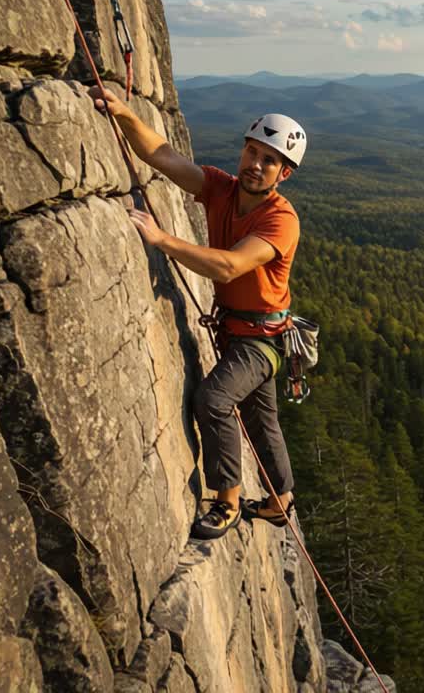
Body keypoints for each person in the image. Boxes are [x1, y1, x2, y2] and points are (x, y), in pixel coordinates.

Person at [89, 86, 306, 540]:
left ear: (283, 174)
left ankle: (226, 501)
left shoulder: (280, 220)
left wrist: (163, 240)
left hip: (260, 340)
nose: (255, 165)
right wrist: (126, 114)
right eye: (251, 152)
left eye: (269, 161)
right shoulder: (220, 188)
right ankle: (280, 501)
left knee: (215, 400)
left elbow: (230, 265)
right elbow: (164, 157)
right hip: (240, 329)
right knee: (261, 420)